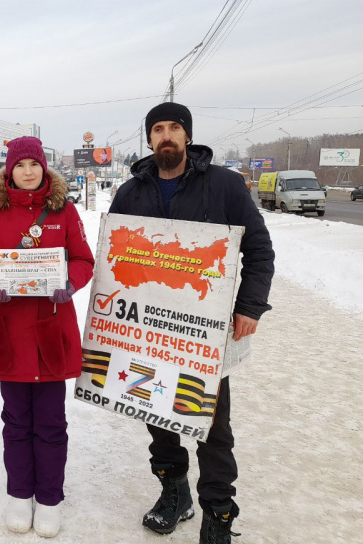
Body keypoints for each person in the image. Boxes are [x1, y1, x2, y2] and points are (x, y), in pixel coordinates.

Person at [109, 102, 275, 543]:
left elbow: (259, 250)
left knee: (210, 426)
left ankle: (218, 515)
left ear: (187, 136)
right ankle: (174, 491)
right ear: (148, 139)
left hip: (201, 335)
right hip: (146, 333)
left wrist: (250, 306)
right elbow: (116, 257)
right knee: (155, 414)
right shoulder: (129, 193)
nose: (167, 136)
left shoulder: (224, 186)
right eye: (158, 129)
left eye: (175, 128)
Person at [0, 136, 95, 538]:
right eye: (19, 166)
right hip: (9, 331)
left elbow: (82, 257)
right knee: (17, 421)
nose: (27, 172)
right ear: (8, 171)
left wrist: (70, 283)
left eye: (33, 165)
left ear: (43, 169)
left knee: (52, 423)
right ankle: (19, 495)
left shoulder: (63, 210)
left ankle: (50, 499)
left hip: (50, 330)